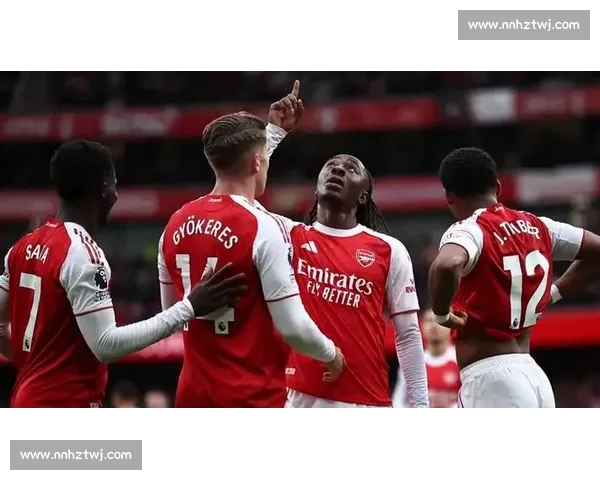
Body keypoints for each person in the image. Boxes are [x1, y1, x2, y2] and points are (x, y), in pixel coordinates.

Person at [0, 140, 247, 408]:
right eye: (114, 184)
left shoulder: (22, 247)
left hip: (25, 401)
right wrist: (189, 307)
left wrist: (36, 364)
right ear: (103, 188)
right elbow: (106, 344)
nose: (116, 195)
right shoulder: (81, 253)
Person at [158, 82, 344, 408]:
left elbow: (170, 315)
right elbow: (293, 328)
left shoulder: (172, 225)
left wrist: (273, 132)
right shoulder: (264, 227)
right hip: (254, 397)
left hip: (192, 396)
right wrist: (331, 354)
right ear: (257, 163)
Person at [429, 147, 600, 408]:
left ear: (449, 197)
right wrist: (554, 293)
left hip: (492, 381)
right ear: (497, 187)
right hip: (534, 376)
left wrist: (442, 314)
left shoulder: (470, 230)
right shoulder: (540, 225)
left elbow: (446, 264)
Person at [393, 309, 460, 408]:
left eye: (439, 321)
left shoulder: (460, 361)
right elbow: (398, 401)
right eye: (429, 321)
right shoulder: (411, 364)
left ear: (450, 326)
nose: (434, 325)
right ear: (421, 327)